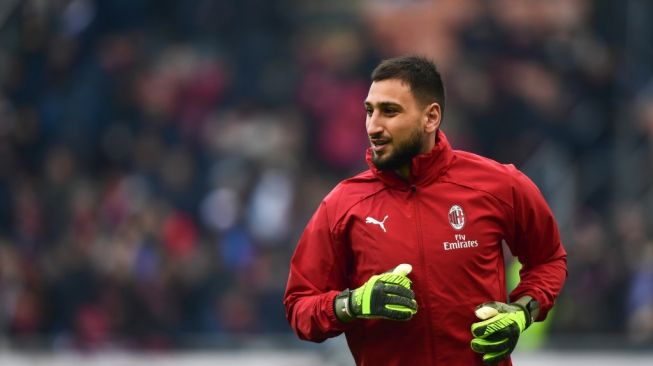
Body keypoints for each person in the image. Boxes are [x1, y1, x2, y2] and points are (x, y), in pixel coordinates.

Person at [283, 55, 567, 366]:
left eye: (390, 111)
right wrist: (350, 303)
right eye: (369, 111)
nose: (373, 126)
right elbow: (299, 307)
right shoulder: (342, 204)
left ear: (430, 118)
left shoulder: (499, 185)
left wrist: (522, 312)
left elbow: (548, 259)